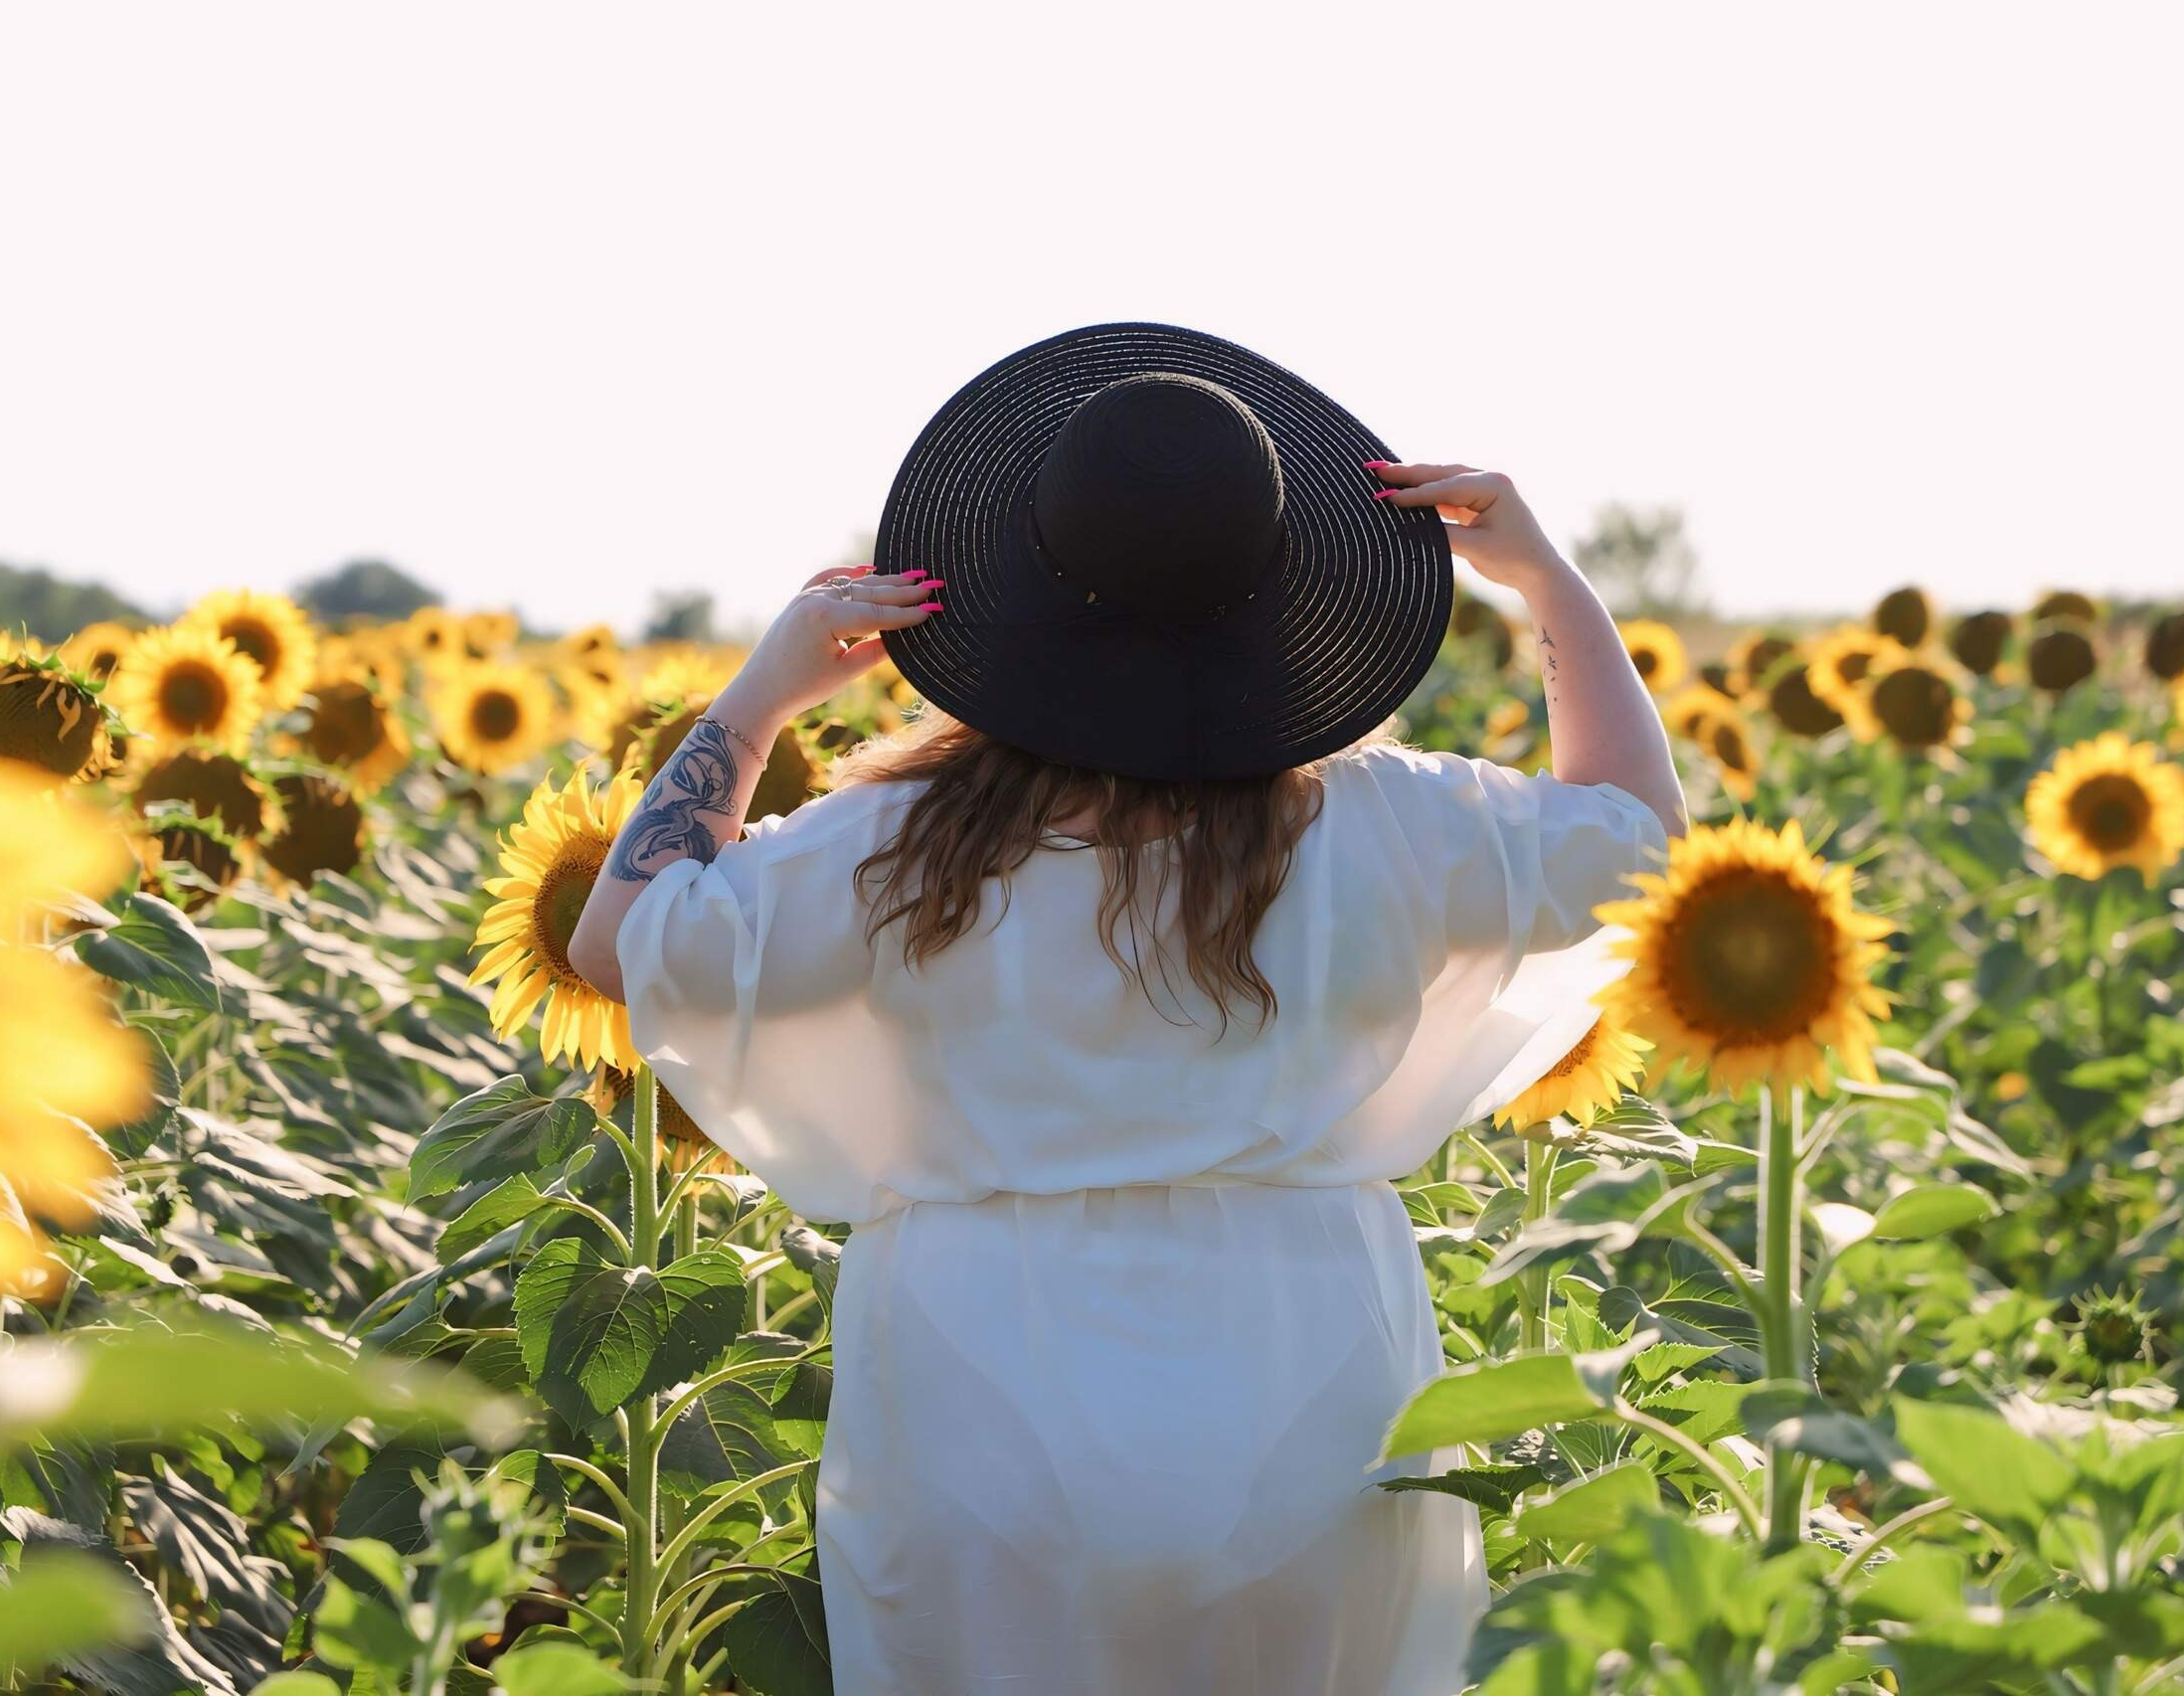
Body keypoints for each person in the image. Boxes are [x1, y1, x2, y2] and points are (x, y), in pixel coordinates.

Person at [569, 322, 1687, 1696]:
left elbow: (619, 938)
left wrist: (764, 691)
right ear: (1280, 595)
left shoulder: (900, 842)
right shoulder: (1389, 821)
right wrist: (1546, 582)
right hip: (1308, 1379)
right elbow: (1639, 841)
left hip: (980, 1391)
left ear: (1019, 587)